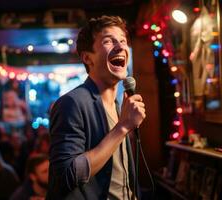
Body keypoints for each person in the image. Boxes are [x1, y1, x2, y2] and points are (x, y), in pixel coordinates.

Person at [47, 16, 146, 200]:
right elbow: (66, 176)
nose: (120, 46)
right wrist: (122, 128)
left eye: (123, 41)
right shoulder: (71, 103)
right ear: (87, 57)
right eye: (108, 41)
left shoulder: (119, 106)